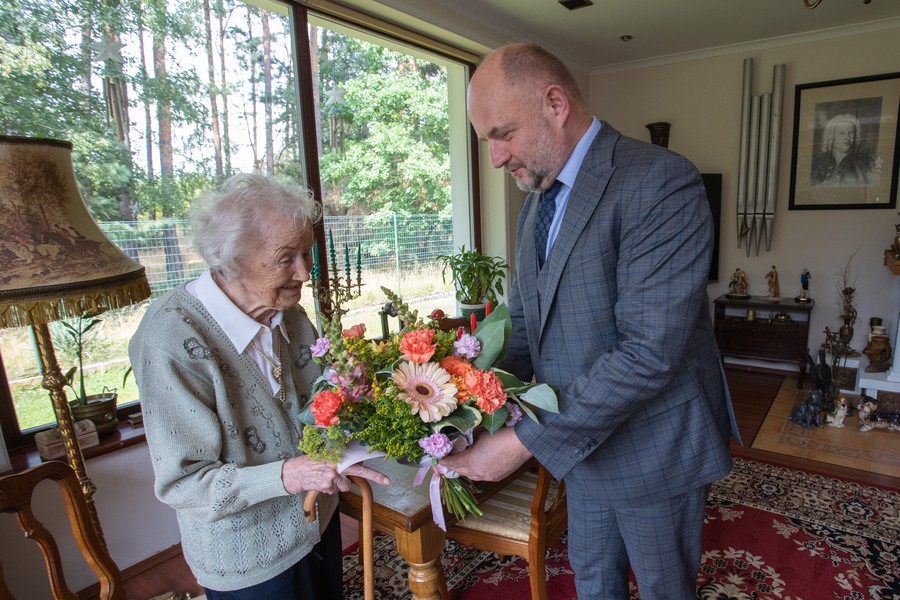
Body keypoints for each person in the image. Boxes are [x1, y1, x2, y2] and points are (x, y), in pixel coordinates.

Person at [440, 43, 739, 599]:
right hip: (580, 451)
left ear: (555, 103)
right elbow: (525, 327)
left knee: (663, 591)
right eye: (487, 141)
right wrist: (459, 399)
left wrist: (523, 442)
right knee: (594, 583)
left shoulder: (661, 181)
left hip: (655, 450)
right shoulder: (536, 201)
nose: (496, 158)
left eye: (503, 133)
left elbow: (648, 352)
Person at [128, 174, 389, 599]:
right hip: (248, 557)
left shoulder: (289, 314)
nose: (304, 272)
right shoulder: (170, 341)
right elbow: (184, 483)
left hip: (316, 522)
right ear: (232, 259)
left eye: (307, 253)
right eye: (286, 257)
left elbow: (318, 405)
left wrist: (345, 438)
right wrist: (290, 475)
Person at [810, 113, 876, 186]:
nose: (847, 138)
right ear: (831, 136)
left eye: (851, 133)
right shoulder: (815, 160)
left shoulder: (867, 162)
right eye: (841, 133)